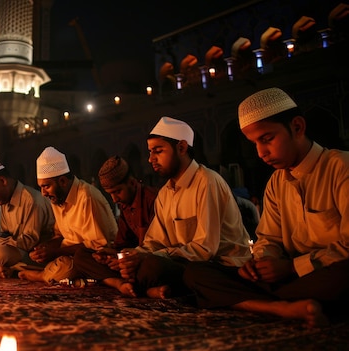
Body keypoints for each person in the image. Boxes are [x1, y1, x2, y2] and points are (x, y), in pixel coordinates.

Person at [183, 87, 349, 328]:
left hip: (325, 273)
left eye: (267, 139)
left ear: (297, 127)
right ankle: (281, 307)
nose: (261, 153)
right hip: (286, 281)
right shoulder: (276, 182)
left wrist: (292, 267)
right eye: (254, 144)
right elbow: (268, 239)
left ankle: (255, 303)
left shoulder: (341, 168)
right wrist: (259, 264)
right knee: (195, 273)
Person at [117, 117, 251, 299]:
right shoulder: (165, 193)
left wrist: (155, 257)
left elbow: (205, 250)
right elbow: (155, 241)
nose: (150, 159)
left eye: (157, 151)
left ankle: (151, 289)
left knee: (157, 267)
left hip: (219, 266)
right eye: (150, 152)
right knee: (132, 265)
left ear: (181, 148)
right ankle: (155, 289)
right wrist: (132, 255)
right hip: (183, 263)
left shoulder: (207, 182)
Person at [18, 146, 118, 284]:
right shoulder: (57, 198)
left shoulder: (86, 196)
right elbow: (60, 235)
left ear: (63, 181)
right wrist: (45, 248)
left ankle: (41, 276)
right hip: (67, 254)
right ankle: (43, 272)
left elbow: (97, 245)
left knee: (68, 267)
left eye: (46, 186)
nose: (43, 193)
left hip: (92, 257)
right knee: (25, 257)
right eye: (41, 187)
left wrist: (56, 253)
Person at [73, 156, 158, 295]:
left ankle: (125, 284)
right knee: (81, 256)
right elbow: (122, 245)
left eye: (117, 191)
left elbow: (155, 248)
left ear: (131, 183)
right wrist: (111, 256)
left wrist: (126, 260)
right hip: (129, 263)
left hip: (145, 260)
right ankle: (121, 284)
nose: (114, 199)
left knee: (152, 267)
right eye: (110, 194)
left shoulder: (152, 200)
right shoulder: (125, 205)